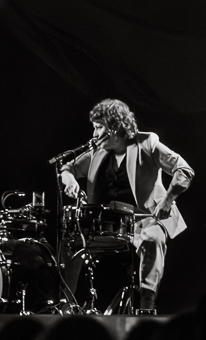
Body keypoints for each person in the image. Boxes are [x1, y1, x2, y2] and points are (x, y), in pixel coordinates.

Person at [59, 99, 193, 312]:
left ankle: (146, 307)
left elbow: (184, 170)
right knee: (71, 241)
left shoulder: (147, 144)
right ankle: (64, 305)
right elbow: (67, 168)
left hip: (146, 217)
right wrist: (71, 181)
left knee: (153, 239)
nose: (94, 134)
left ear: (113, 127)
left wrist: (168, 199)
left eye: (98, 127)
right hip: (111, 223)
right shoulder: (97, 151)